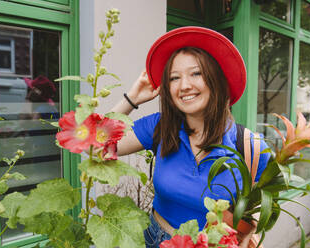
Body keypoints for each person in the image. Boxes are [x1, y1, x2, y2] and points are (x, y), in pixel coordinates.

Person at [111, 26, 270, 248]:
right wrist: (132, 98)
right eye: (174, 78)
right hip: (156, 239)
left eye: (196, 73)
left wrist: (247, 230)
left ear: (216, 79)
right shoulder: (160, 126)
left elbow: (260, 212)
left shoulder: (251, 147)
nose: (184, 86)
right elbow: (98, 146)